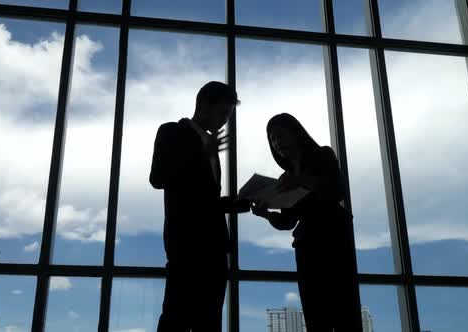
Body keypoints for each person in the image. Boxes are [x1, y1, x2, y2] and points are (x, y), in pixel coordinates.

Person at [150, 81, 250, 331]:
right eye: (223, 113)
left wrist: (234, 204)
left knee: (209, 321)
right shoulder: (172, 132)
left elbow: (201, 200)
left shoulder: (210, 148)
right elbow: (158, 178)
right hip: (186, 246)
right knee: (176, 319)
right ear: (204, 105)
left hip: (214, 248)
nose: (225, 120)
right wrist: (201, 155)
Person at [251, 113, 362, 332]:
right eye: (272, 139)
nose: (277, 142)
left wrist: (301, 181)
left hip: (333, 240)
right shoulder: (286, 176)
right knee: (315, 316)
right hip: (307, 244)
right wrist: (265, 214)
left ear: (296, 133)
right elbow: (287, 221)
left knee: (344, 310)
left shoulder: (322, 155)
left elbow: (336, 191)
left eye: (280, 135)